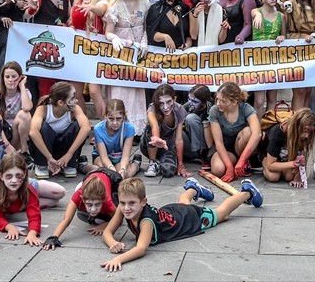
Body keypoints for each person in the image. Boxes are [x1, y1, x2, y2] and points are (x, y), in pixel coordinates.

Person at [100, 176, 262, 271]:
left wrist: (120, 259)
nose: (126, 208)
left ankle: (247, 191)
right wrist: (113, 243)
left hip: (189, 219)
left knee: (222, 214)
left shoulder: (146, 221)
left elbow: (141, 248)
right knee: (183, 204)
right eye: (122, 203)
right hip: (171, 213)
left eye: (131, 203)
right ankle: (193, 188)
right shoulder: (124, 208)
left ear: (143, 202)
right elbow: (107, 233)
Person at [0, 152, 66, 245]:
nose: (14, 180)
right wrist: (8, 227)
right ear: (1, 176)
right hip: (16, 199)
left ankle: (27, 192)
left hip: (25, 186)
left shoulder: (27, 188)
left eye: (18, 175)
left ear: (25, 174)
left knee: (60, 192)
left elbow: (34, 216)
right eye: (9, 176)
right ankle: (21, 204)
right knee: (53, 202)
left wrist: (32, 233)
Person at [103, 0, 150, 133]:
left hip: (138, 53)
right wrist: (115, 39)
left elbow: (147, 27)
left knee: (136, 90)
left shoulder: (145, 3)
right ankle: (118, 125)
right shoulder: (116, 5)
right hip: (121, 53)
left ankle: (136, 130)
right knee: (121, 89)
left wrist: (144, 42)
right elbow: (108, 32)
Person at [42, 168, 123, 250]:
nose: (93, 209)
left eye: (97, 204)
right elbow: (66, 219)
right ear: (82, 199)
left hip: (113, 178)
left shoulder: (107, 200)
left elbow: (119, 219)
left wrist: (105, 225)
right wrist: (54, 237)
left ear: (103, 200)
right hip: (91, 174)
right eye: (89, 205)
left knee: (117, 206)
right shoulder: (78, 195)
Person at [29, 81, 93, 180]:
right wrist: (49, 157)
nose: (75, 101)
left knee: (77, 126)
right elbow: (33, 132)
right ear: (61, 102)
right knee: (43, 127)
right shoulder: (43, 109)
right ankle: (41, 164)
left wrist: (69, 154)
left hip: (65, 149)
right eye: (72, 98)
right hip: (46, 150)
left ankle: (69, 164)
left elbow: (86, 127)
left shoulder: (75, 109)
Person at [207, 81, 261, 183]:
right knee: (218, 169)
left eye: (223, 101)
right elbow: (218, 142)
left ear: (234, 102)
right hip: (224, 148)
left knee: (249, 131)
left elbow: (257, 133)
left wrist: (242, 160)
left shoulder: (245, 108)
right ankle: (233, 165)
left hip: (240, 146)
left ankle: (244, 162)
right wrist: (229, 167)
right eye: (217, 99)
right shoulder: (215, 111)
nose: (218, 103)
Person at [261, 108, 315, 186]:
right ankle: (264, 167)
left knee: (289, 176)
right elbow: (271, 165)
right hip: (269, 157)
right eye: (305, 131)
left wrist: (298, 177)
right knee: (273, 176)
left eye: (310, 132)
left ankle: (282, 169)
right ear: (297, 126)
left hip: (285, 157)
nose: (307, 136)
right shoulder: (278, 133)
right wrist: (293, 164)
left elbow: (301, 157)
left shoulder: (303, 136)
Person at [87, 99, 141, 179]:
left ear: (123, 117)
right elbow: (104, 157)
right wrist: (111, 169)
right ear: (106, 116)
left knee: (126, 174)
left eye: (118, 119)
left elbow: (125, 156)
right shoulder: (98, 129)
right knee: (103, 171)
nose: (115, 123)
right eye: (111, 119)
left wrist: (123, 169)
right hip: (101, 157)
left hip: (119, 156)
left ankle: (136, 164)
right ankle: (84, 166)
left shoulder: (129, 128)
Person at [142, 84, 187, 178]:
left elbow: (179, 139)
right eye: (161, 103)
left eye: (169, 102)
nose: (165, 107)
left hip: (167, 147)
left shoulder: (179, 110)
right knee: (149, 127)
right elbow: (154, 126)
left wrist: (180, 164)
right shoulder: (152, 109)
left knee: (168, 171)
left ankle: (161, 163)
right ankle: (152, 162)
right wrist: (157, 139)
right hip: (150, 145)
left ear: (174, 99)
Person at [0, 61, 33, 157]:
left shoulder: (25, 93)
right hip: (1, 135)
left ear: (20, 77)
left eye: (14, 76)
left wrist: (22, 85)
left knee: (25, 114)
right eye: (7, 77)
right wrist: (6, 145)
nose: (11, 80)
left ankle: (24, 151)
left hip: (16, 134)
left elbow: (27, 107)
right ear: (3, 78)